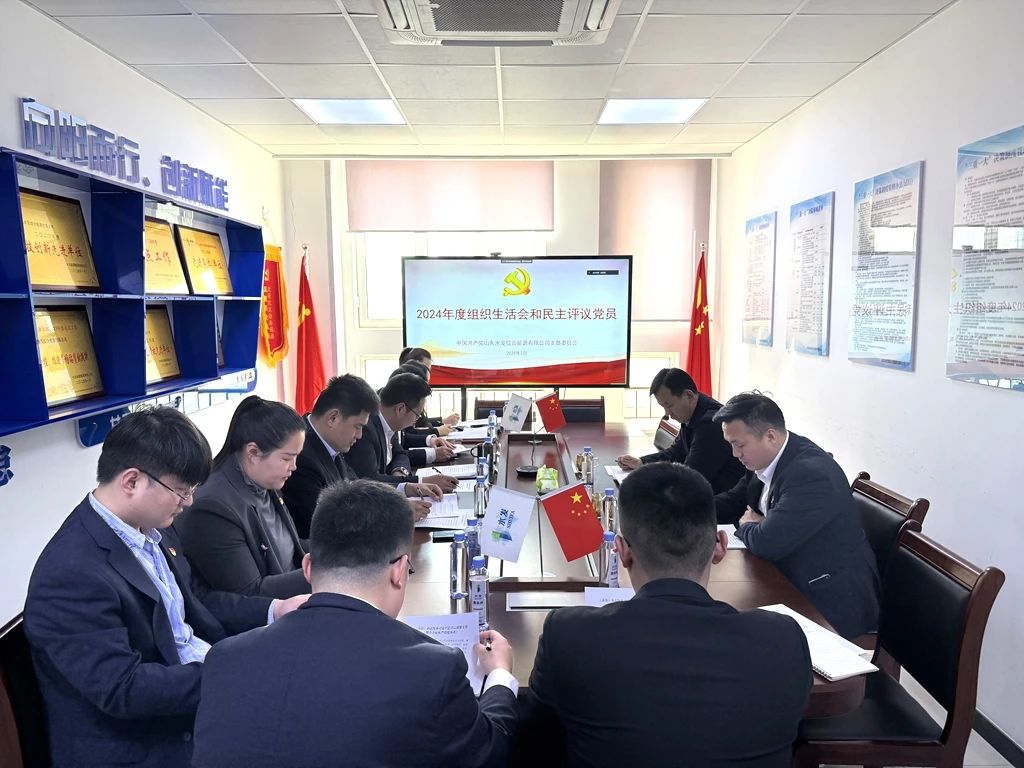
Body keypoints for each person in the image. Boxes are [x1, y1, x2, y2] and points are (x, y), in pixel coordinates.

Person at [23, 407, 307, 768]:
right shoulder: (71, 573)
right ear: (131, 481)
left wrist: (275, 610)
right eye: (181, 490)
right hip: (143, 743)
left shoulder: (155, 528)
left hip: (194, 690)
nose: (189, 502)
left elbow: (197, 602)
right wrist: (232, 675)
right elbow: (123, 688)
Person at [191, 480, 519, 768]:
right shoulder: (434, 670)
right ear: (399, 571)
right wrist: (500, 674)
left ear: (307, 568)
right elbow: (490, 751)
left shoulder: (224, 660)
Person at [524, 462, 811, 767]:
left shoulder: (569, 636)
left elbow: (534, 743)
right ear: (720, 545)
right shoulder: (783, 639)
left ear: (621, 551)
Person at [713, 392, 880, 639]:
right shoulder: (764, 459)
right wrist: (683, 509)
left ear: (770, 436)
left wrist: (747, 524)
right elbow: (732, 502)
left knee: (742, 635)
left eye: (739, 444)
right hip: (787, 572)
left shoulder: (810, 474)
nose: (735, 454)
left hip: (828, 595)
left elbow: (768, 542)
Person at [177, 396, 310, 599]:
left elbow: (289, 547)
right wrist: (320, 573)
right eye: (286, 458)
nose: (294, 467)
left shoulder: (265, 479)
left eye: (296, 457)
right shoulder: (213, 508)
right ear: (253, 452)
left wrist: (337, 551)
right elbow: (249, 594)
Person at [281, 374, 440, 534]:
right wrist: (393, 513)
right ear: (333, 418)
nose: (359, 435)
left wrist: (405, 490)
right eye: (358, 427)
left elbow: (358, 486)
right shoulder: (299, 457)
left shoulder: (329, 441)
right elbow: (326, 524)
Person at [615, 367, 744, 493]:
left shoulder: (710, 424)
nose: (667, 414)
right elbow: (676, 452)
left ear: (688, 395)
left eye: (669, 405)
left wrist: (647, 477)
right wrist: (642, 462)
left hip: (718, 500)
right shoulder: (693, 413)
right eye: (664, 407)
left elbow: (691, 476)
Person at [346, 372, 458, 493]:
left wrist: (399, 471)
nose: (416, 421)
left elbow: (400, 453)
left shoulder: (389, 421)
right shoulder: (365, 429)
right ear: (400, 409)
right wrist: (420, 481)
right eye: (417, 415)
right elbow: (369, 481)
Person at [388, 363, 458, 466]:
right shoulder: (376, 424)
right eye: (417, 416)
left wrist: (430, 440)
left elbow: (400, 449)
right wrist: (432, 453)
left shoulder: (392, 417)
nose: (415, 422)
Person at [399, 346, 460, 431]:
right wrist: (437, 431)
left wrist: (443, 421)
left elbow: (420, 421)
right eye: (425, 369)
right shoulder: (402, 391)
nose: (427, 374)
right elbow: (407, 432)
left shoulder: (416, 390)